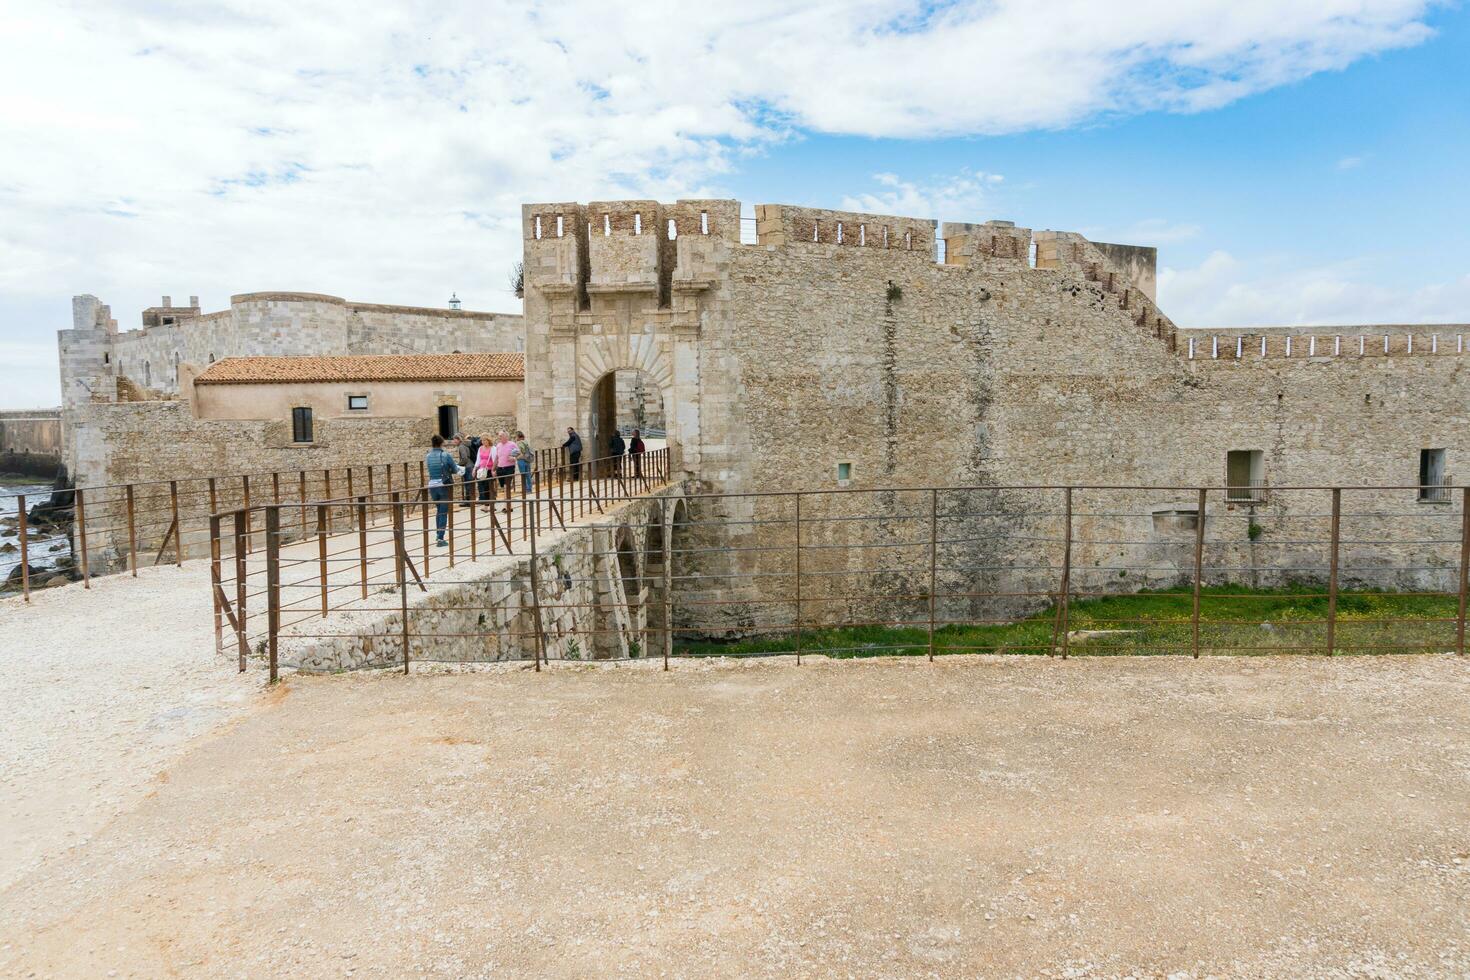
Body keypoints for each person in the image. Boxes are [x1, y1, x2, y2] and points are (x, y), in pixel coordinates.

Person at [425, 434, 464, 547]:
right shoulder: (446, 455)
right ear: (442, 443)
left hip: (432, 486)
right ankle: (440, 538)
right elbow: (455, 469)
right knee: (443, 512)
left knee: (439, 511)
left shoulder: (428, 456)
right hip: (443, 486)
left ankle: (438, 534)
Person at [455, 432, 478, 508]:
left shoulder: (461, 446)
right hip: (471, 465)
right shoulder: (466, 444)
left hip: (467, 467)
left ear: (459, 439)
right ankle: (471, 500)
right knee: (470, 484)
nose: (454, 442)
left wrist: (458, 464)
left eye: (455, 440)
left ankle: (468, 502)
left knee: (468, 484)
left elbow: (464, 458)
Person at [492, 430, 517, 494]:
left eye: (501, 436)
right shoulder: (498, 445)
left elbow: (520, 454)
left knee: (507, 484)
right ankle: (507, 497)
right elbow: (497, 458)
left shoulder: (512, 444)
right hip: (500, 468)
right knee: (502, 486)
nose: (499, 437)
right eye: (499, 436)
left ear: (506, 436)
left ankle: (507, 500)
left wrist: (514, 458)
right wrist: (493, 469)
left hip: (509, 467)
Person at [474, 433, 495, 506]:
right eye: (482, 440)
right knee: (482, 486)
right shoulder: (480, 448)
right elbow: (478, 459)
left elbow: (495, 460)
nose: (483, 442)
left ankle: (488, 504)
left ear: (488, 440)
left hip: (489, 470)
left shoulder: (493, 448)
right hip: (481, 470)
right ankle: (488, 503)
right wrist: (474, 469)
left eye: (484, 440)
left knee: (488, 487)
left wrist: (493, 470)